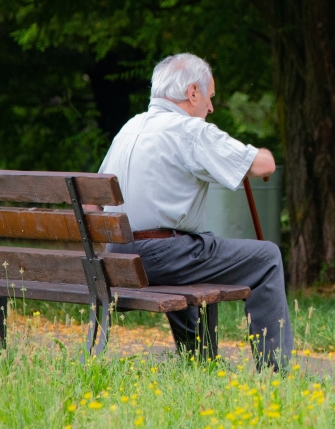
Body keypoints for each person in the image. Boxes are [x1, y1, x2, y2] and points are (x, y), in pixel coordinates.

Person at [96, 53, 292, 369]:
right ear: (192, 93)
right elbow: (264, 164)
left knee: (199, 246)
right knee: (267, 257)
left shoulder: (129, 129)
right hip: (162, 256)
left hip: (118, 255)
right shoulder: (190, 131)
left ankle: (200, 363)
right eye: (210, 97)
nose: (210, 108)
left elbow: (95, 201)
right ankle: (277, 370)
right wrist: (261, 152)